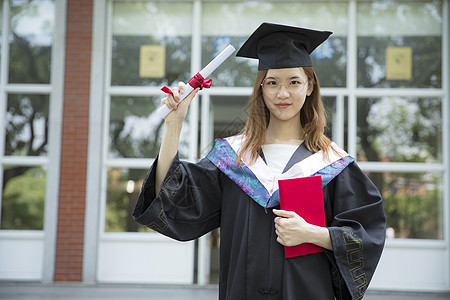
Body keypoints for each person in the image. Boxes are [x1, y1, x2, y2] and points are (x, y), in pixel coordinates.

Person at [133, 22, 386, 300]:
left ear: (310, 85)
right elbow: (171, 198)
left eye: (294, 82)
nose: (282, 94)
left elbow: (365, 237)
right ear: (261, 89)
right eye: (272, 83)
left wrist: (313, 233)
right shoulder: (233, 159)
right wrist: (174, 125)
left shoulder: (332, 164)